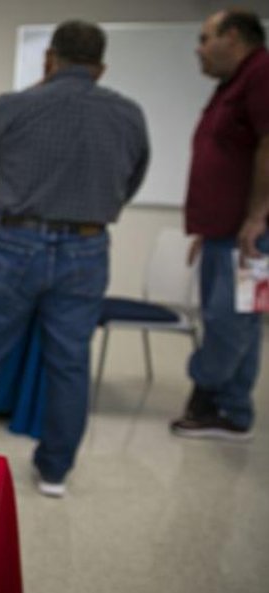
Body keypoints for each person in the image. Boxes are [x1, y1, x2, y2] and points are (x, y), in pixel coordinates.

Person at [0, 21, 150, 497]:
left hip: (16, 244)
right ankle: (55, 472)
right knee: (69, 361)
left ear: (49, 58)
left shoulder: (15, 105)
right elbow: (133, 178)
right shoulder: (127, 113)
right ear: (101, 68)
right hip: (88, 247)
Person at [171, 9, 269, 441]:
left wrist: (257, 216)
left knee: (232, 320)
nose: (198, 48)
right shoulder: (232, 85)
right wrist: (207, 229)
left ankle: (214, 396)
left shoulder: (262, 73)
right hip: (223, 231)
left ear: (233, 37)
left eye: (205, 37)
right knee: (241, 316)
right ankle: (233, 411)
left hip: (246, 234)